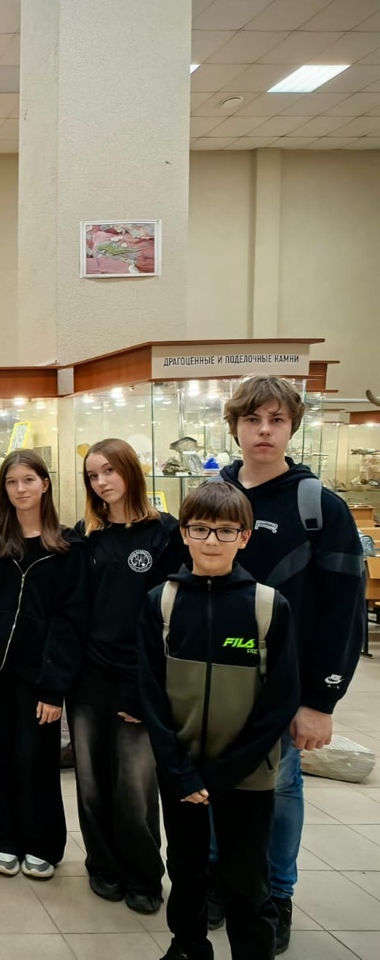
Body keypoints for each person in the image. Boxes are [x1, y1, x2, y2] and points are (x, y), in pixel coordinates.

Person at [214, 375, 366, 952]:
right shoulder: (214, 497)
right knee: (210, 785)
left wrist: (320, 701)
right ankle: (216, 882)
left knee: (278, 791)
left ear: (292, 428)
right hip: (212, 682)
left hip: (282, 687)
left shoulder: (319, 507)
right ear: (235, 427)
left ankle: (275, 895)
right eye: (253, 420)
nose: (264, 431)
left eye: (276, 420)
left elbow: (344, 611)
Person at [138, 481, 299, 960]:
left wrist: (225, 773)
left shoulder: (268, 606)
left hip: (246, 775)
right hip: (181, 770)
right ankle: (187, 947)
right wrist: (179, 769)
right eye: (200, 529)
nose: (212, 541)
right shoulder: (161, 602)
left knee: (247, 878)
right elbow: (150, 692)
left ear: (244, 537)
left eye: (226, 531)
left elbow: (280, 700)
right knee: (186, 868)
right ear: (184, 534)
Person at [0, 449, 86, 882]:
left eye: (28, 480)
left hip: (39, 674)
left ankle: (42, 844)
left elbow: (70, 622)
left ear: (45, 484)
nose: (20, 489)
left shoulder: (67, 548)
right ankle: (3, 840)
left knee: (36, 759)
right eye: (11, 482)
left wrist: (55, 687)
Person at [71, 438, 188, 914]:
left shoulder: (166, 534)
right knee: (92, 781)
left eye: (109, 471)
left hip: (139, 677)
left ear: (130, 471)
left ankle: (143, 876)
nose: (102, 482)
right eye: (93, 475)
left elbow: (173, 619)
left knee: (135, 786)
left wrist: (151, 687)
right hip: (89, 677)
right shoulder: (87, 535)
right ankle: (103, 865)